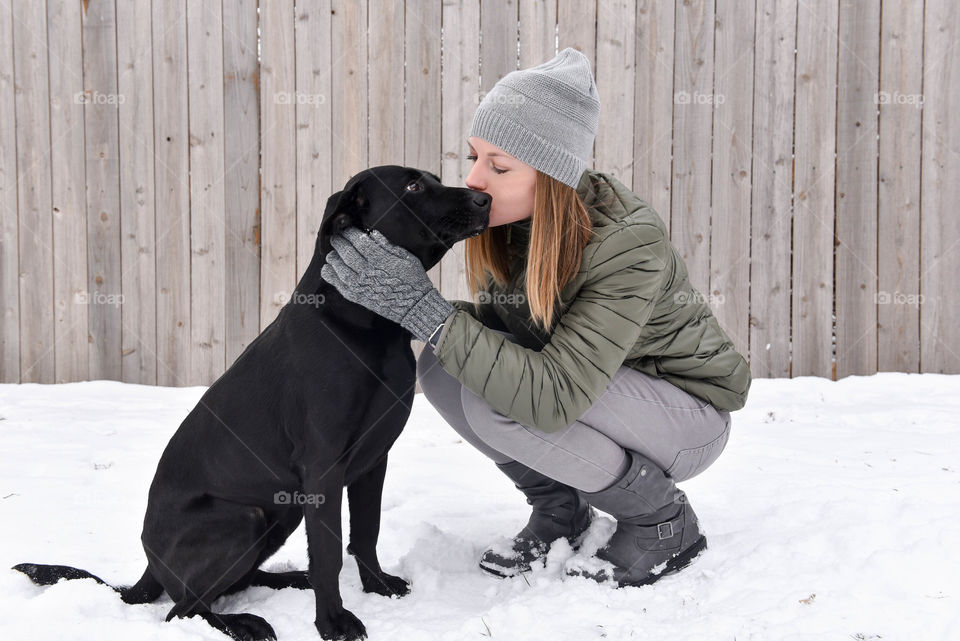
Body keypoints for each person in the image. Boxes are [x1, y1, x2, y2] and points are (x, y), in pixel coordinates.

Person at [320, 48, 751, 587]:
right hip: (605, 393)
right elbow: (503, 335)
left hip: (686, 416)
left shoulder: (626, 245)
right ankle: (561, 510)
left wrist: (419, 306)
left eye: (499, 166)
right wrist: (394, 305)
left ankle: (662, 522)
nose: (475, 179)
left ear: (553, 177)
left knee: (498, 398)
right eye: (475, 157)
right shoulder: (510, 224)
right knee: (441, 363)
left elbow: (554, 395)